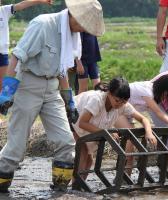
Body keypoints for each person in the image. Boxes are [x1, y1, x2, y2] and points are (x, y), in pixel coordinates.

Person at [0, 0, 105, 193]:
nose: (83, 30)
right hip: (29, 86)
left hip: (52, 89)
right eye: (84, 25)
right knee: (16, 146)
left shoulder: (71, 36)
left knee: (66, 142)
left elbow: (62, 70)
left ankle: (60, 192)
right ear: (74, 16)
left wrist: (70, 102)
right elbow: (17, 57)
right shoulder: (43, 25)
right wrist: (6, 92)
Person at [72, 77, 157, 179]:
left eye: (124, 102)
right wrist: (107, 132)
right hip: (72, 118)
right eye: (117, 100)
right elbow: (82, 123)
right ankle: (75, 186)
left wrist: (148, 132)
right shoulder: (97, 100)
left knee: (89, 160)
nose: (120, 104)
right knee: (83, 153)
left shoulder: (122, 105)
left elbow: (143, 119)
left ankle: (80, 186)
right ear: (109, 93)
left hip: (86, 125)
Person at [0, 0, 53, 89]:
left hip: (2, 52)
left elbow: (22, 5)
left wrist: (40, 1)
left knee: (2, 84)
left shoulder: (4, 10)